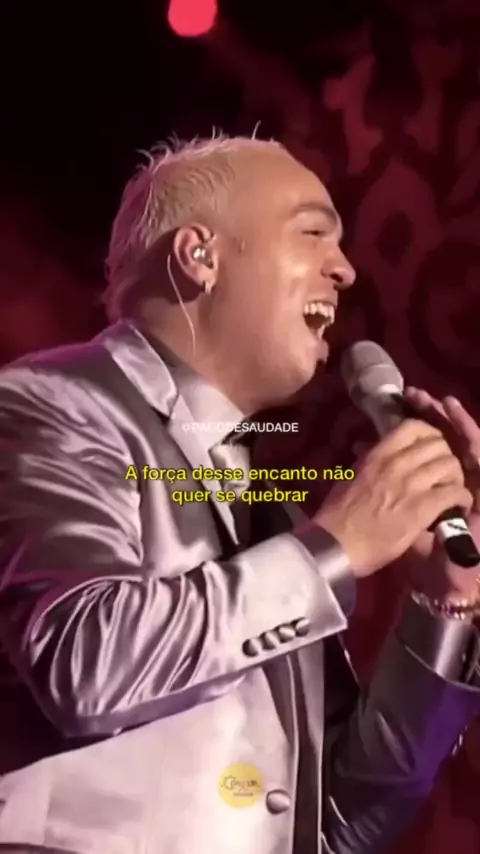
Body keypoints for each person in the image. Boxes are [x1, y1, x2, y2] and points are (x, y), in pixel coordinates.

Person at [0, 134, 480, 854]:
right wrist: (334, 548)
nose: (346, 269)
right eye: (313, 232)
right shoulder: (47, 402)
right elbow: (85, 664)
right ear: (200, 256)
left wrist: (444, 601)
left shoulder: (269, 517)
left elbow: (337, 822)